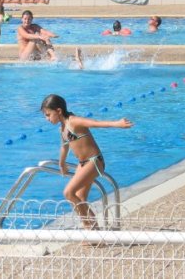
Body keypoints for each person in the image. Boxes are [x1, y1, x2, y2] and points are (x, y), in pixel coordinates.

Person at [40, 94, 133, 229]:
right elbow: (64, 147)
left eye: (48, 115)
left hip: (94, 161)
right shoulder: (62, 128)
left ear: (58, 111)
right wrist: (62, 163)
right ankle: (90, 229)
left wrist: (117, 123)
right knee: (79, 197)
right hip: (83, 164)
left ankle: (93, 227)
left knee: (68, 193)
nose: (47, 119)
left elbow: (95, 123)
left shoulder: (74, 121)